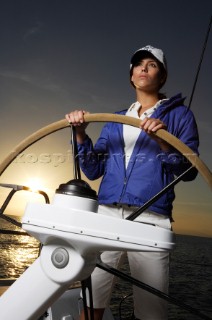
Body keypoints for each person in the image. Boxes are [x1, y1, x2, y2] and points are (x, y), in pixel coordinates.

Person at [65, 45, 199, 320]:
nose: (143, 68)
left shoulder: (180, 117)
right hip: (106, 214)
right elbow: (92, 169)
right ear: (131, 76)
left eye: (152, 65)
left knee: (152, 309)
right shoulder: (115, 120)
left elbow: (189, 171)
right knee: (93, 296)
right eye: (138, 64)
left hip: (152, 217)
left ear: (162, 77)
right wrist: (80, 134)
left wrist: (162, 140)